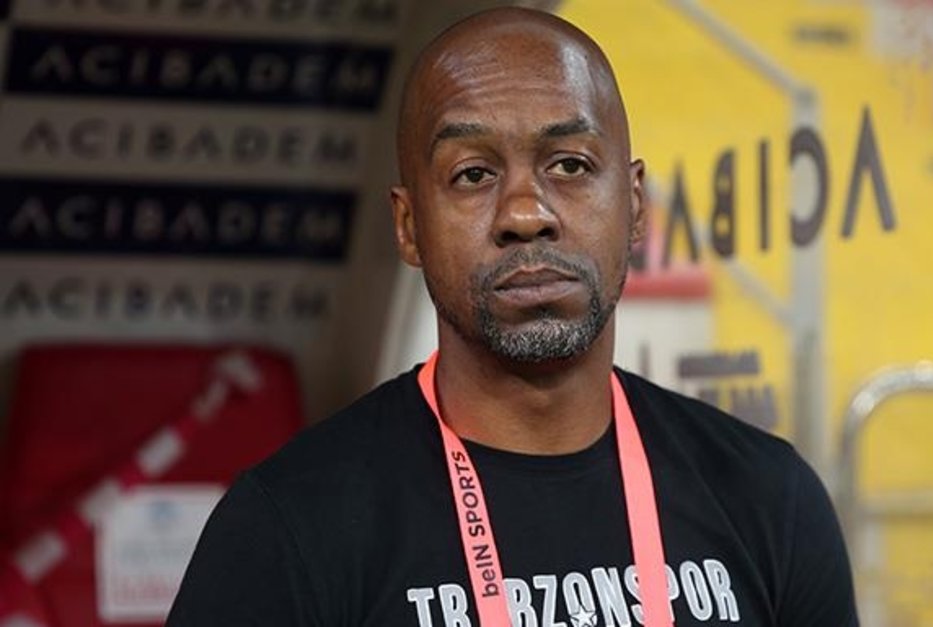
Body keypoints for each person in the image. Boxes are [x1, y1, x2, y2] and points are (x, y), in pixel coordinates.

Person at [167, 7, 857, 626]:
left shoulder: (771, 500)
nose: (526, 214)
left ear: (635, 203)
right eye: (473, 173)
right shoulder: (288, 527)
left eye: (570, 165)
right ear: (408, 226)